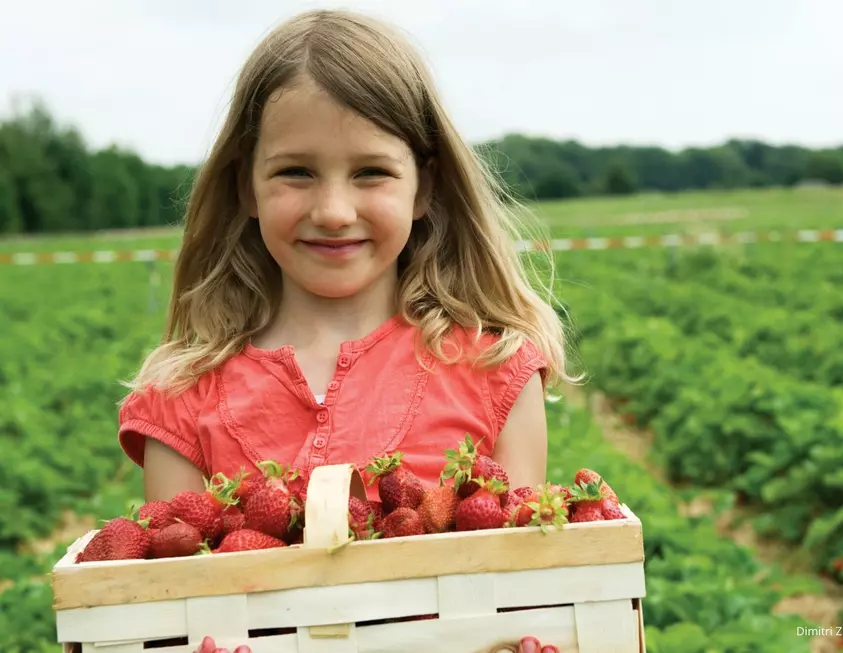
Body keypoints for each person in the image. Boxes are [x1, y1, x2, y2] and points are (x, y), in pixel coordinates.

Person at [116, 9, 579, 653]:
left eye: (371, 172)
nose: (334, 211)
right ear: (246, 186)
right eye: (295, 172)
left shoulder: (494, 369)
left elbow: (522, 595)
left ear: (424, 189)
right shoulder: (181, 398)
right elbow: (174, 608)